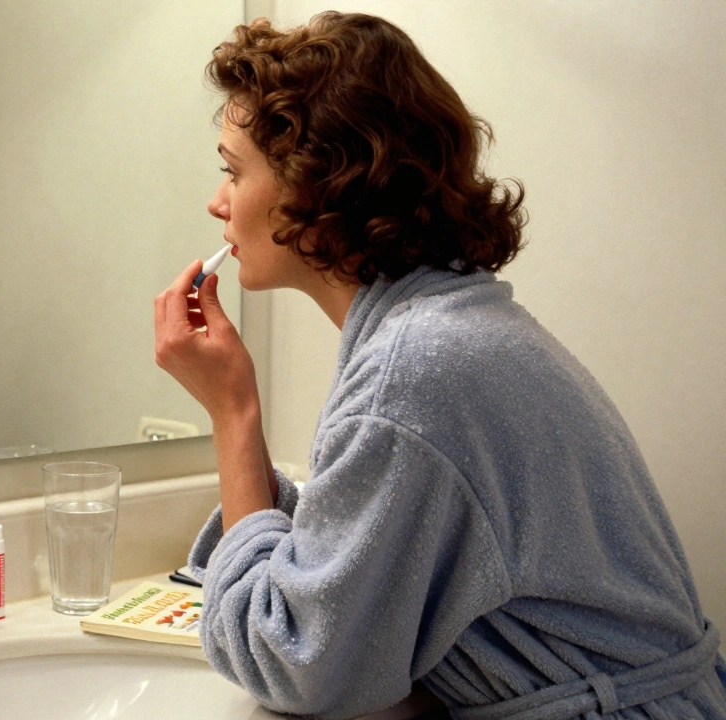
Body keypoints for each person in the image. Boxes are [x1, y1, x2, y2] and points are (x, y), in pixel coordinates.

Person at [154, 13, 726, 720]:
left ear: (316, 183)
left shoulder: (413, 371)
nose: (217, 202)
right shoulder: (453, 327)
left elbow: (293, 661)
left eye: (232, 172)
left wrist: (233, 411)